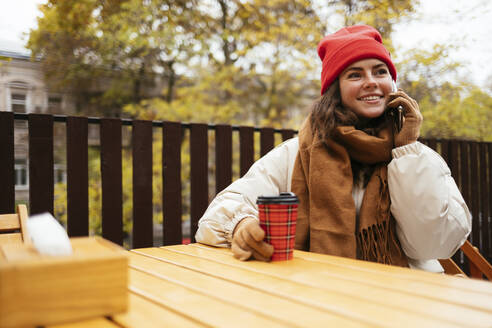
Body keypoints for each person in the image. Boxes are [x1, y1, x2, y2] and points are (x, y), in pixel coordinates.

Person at [195, 25, 471, 272]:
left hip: (406, 302)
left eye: (380, 71)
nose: (371, 81)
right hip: (318, 296)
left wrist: (407, 151)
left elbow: (433, 245)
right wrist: (241, 225)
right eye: (355, 74)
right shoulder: (297, 154)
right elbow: (216, 217)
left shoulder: (416, 157)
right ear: (335, 90)